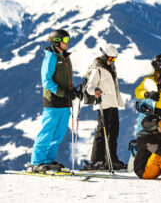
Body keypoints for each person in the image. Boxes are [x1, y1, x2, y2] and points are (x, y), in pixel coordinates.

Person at [30, 29, 80, 172]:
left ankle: (48, 160)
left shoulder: (65, 57)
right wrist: (63, 92)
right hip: (53, 101)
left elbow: (65, 79)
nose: (68, 43)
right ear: (56, 41)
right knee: (47, 131)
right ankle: (36, 162)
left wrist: (72, 91)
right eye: (65, 40)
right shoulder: (51, 58)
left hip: (65, 102)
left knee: (59, 133)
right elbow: (46, 81)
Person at [82, 44, 126, 170]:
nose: (112, 61)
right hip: (103, 104)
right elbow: (89, 87)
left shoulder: (111, 68)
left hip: (112, 104)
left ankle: (111, 159)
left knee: (113, 132)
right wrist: (95, 90)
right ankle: (97, 160)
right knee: (102, 132)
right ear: (105, 56)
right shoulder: (98, 69)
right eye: (111, 59)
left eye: (114, 59)